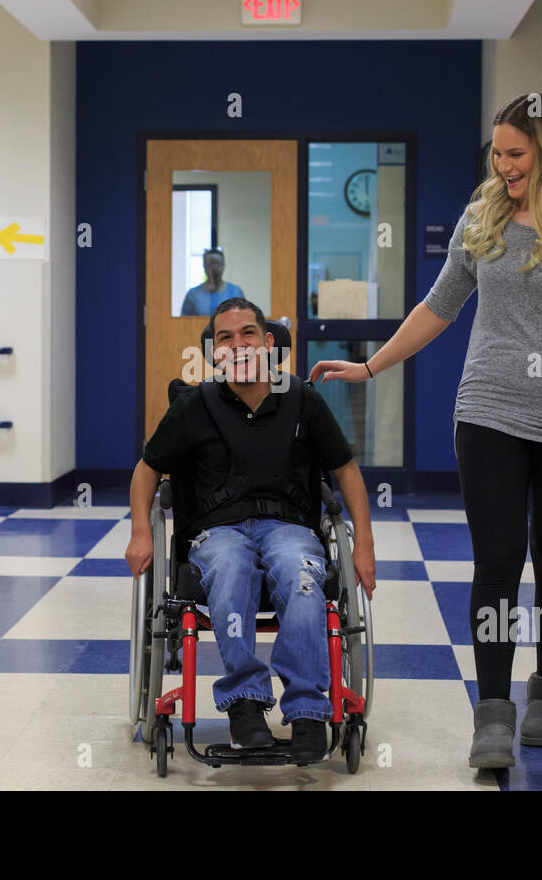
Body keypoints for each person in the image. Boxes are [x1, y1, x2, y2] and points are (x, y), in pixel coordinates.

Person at [308, 93, 542, 769]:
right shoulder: (481, 218)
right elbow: (439, 306)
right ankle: (493, 710)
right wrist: (371, 365)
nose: (503, 164)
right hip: (488, 410)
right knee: (498, 558)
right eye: (498, 151)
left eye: (516, 152)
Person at [125, 297, 377, 763]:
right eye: (224, 337)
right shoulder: (193, 407)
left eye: (247, 334)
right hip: (217, 534)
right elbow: (146, 471)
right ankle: (244, 702)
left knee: (302, 579)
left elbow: (346, 471)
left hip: (289, 528)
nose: (237, 345)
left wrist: (364, 543)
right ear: (213, 351)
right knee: (232, 567)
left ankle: (305, 710)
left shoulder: (303, 400)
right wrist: (142, 530)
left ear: (267, 343)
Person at [180, 247, 245, 316]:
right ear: (204, 266)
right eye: (210, 265)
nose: (214, 268)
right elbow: (184, 323)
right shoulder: (193, 295)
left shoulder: (236, 292)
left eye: (217, 264)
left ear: (224, 266)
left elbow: (244, 318)